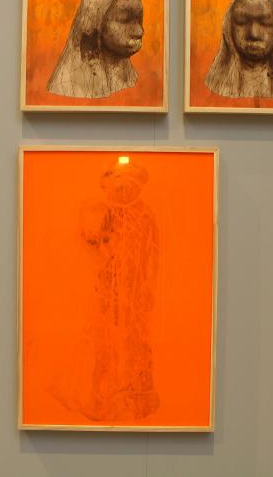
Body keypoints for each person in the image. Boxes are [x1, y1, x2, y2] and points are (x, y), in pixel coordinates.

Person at [52, 158, 160, 421]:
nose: (124, 189)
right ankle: (101, 397)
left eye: (130, 183)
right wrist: (103, 251)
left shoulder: (146, 215)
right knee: (104, 341)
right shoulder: (102, 210)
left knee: (135, 341)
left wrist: (148, 285)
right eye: (118, 183)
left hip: (134, 289)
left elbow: (152, 253)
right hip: (106, 286)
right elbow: (90, 243)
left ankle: (136, 397)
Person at [47, 0, 144, 99]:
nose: (140, 31)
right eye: (125, 20)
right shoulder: (68, 84)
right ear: (96, 25)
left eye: (139, 20)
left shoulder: (128, 78)